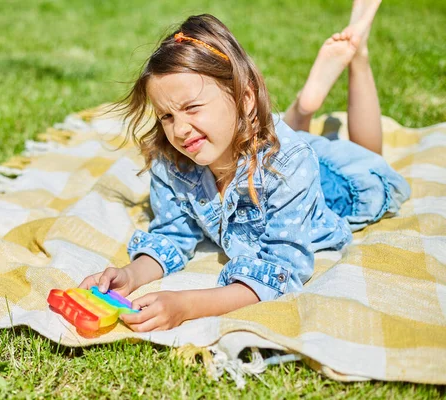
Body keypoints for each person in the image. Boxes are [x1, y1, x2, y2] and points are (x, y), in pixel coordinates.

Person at [79, 1, 410, 332]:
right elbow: (172, 235)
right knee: (275, 142)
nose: (179, 129)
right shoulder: (173, 162)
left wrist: (186, 305)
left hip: (332, 183)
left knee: (373, 165)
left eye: (192, 108)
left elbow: (281, 272)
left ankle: (357, 58)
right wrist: (129, 275)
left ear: (245, 98)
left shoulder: (292, 165)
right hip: (256, 144)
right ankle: (300, 110)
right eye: (167, 116)